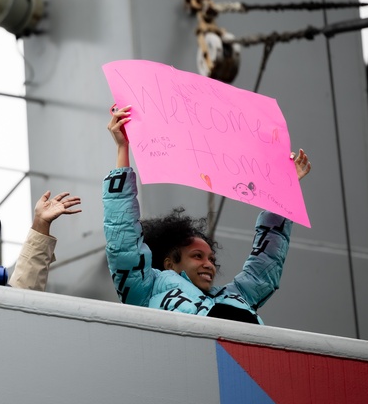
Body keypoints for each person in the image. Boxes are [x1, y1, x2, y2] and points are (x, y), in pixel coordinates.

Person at [104, 105, 312, 324]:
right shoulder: (146, 290)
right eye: (197, 256)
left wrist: (285, 190)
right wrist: (122, 149)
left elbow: (266, 262)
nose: (209, 264)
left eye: (211, 259)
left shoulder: (237, 296)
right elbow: (124, 243)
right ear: (169, 264)